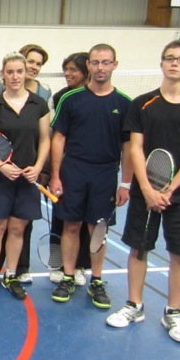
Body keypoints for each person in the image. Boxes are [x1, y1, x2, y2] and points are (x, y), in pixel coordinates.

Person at [106, 39, 180, 344]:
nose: (174, 63)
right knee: (138, 248)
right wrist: (146, 187)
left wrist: (168, 188)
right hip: (146, 192)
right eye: (169, 58)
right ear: (162, 63)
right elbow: (136, 148)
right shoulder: (143, 103)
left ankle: (173, 312)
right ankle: (134, 305)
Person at [49, 45, 132, 309]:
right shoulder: (70, 99)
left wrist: (125, 183)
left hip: (105, 173)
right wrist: (55, 175)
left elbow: (128, 147)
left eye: (105, 63)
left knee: (98, 229)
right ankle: (68, 275)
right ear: (89, 65)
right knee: (70, 226)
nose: (100, 68)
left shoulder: (124, 103)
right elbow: (58, 138)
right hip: (73, 171)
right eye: (95, 63)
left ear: (114, 65)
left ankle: (96, 279)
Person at [0, 52, 50, 301]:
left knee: (18, 229)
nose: (15, 76)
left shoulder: (39, 105)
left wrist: (38, 167)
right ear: (3, 74)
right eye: (10, 72)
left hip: (27, 178)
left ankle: (10, 273)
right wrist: (0, 165)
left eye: (19, 71)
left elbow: (45, 139)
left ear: (25, 73)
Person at [48, 52, 92, 285]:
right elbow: (56, 135)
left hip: (92, 169)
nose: (68, 74)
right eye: (66, 69)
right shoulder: (61, 97)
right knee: (61, 218)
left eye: (73, 69)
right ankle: (58, 263)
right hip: (66, 168)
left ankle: (82, 266)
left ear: (86, 70)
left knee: (87, 221)